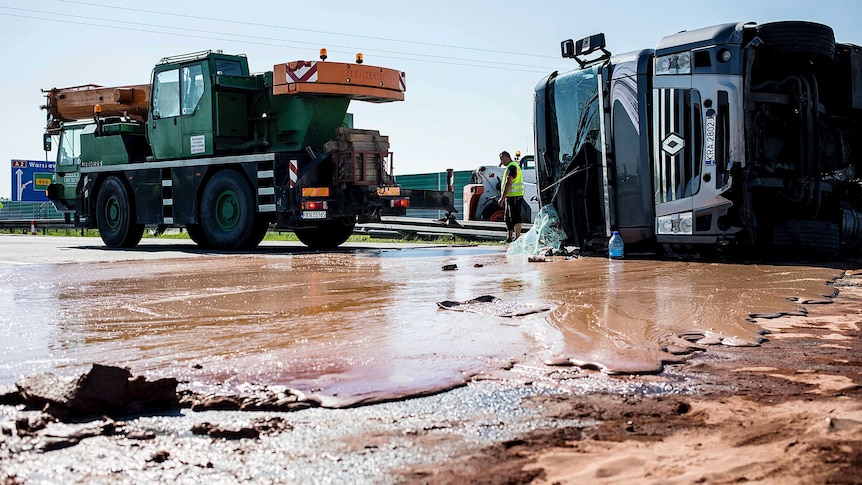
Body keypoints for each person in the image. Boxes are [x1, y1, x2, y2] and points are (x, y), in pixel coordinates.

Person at [497, 151, 524, 243]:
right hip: (510, 196)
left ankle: (517, 239)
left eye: (501, 159)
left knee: (515, 217)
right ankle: (509, 238)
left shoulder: (512, 167)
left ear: (506, 157)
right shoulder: (510, 167)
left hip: (515, 196)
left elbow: (508, 183)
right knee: (508, 218)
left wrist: (502, 197)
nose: (501, 162)